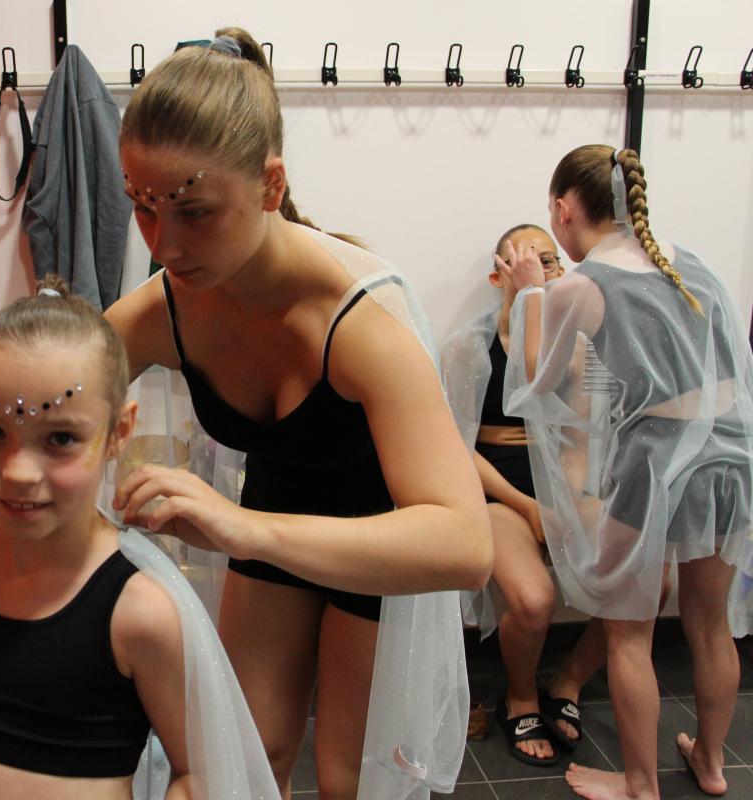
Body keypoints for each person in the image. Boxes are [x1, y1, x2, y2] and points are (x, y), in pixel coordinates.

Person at [105, 28, 492, 798]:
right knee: (243, 760)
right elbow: (57, 380)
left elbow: (465, 543)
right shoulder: (166, 309)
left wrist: (242, 529)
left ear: (270, 185)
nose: (165, 244)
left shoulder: (362, 320)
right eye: (142, 208)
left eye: (194, 211)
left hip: (384, 537)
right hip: (274, 511)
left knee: (352, 782)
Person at [0, 276, 277, 800]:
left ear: (119, 432)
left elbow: (198, 774)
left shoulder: (139, 615)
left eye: (60, 438)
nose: (17, 472)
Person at [499, 144, 753, 799]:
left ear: (563, 209)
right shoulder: (688, 261)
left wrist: (531, 294)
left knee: (629, 633)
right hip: (730, 462)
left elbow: (538, 383)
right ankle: (712, 764)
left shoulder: (581, 286)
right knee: (710, 626)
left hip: (654, 467)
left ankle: (640, 784)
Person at [443, 225, 612, 766]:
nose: (537, 270)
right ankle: (520, 696)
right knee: (534, 599)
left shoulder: (581, 345)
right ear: (499, 276)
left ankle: (568, 681)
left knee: (646, 582)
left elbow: (586, 438)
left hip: (564, 482)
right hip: (500, 490)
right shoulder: (468, 347)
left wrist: (570, 505)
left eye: (549, 261)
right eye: (523, 261)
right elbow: (456, 449)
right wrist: (529, 507)